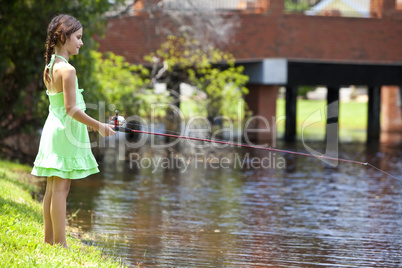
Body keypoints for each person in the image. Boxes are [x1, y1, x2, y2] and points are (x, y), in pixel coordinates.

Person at [31, 14, 116, 248]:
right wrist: (99, 126)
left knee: (52, 187)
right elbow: (71, 109)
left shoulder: (50, 66)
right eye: (78, 37)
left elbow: (63, 108)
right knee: (61, 189)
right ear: (63, 36)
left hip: (53, 130)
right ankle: (61, 244)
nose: (81, 42)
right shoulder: (67, 70)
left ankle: (49, 241)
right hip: (63, 133)